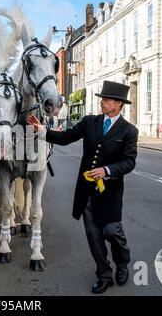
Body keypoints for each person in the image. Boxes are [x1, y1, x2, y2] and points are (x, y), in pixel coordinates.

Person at [27, 81, 138, 294]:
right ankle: (104, 274)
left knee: (113, 231)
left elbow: (129, 162)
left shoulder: (129, 131)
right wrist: (42, 130)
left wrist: (107, 171)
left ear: (119, 104)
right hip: (87, 190)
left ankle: (122, 263)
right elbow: (67, 137)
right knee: (93, 235)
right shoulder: (89, 122)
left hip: (110, 192)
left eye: (107, 100)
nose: (102, 103)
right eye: (102, 99)